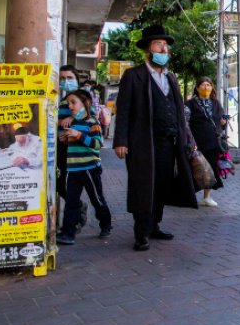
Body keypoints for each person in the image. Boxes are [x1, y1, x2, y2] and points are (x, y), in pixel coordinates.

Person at [114, 25, 199, 252]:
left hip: (168, 143)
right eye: (159, 45)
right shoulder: (134, 75)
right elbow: (123, 110)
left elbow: (179, 111)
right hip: (143, 143)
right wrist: (121, 140)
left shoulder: (171, 78)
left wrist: (188, 138)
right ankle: (141, 232)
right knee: (144, 187)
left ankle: (155, 225)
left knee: (162, 185)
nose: (164, 49)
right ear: (148, 50)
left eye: (166, 46)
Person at [56, 89, 112, 245]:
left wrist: (78, 135)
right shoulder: (72, 123)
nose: (71, 106)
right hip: (73, 169)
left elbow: (97, 144)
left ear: (85, 103)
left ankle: (106, 224)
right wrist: (66, 139)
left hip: (89, 169)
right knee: (71, 203)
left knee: (97, 199)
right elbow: (72, 144)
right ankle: (68, 233)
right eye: (69, 103)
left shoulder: (92, 122)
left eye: (74, 102)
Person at [185, 77, 226, 207]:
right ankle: (187, 196)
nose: (206, 87)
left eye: (208, 85)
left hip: (213, 142)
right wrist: (189, 141)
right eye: (203, 85)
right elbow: (184, 123)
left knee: (210, 169)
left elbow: (221, 121)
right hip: (196, 142)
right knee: (193, 169)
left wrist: (223, 123)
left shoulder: (216, 103)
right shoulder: (190, 104)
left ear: (212, 87)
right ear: (197, 88)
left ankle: (206, 197)